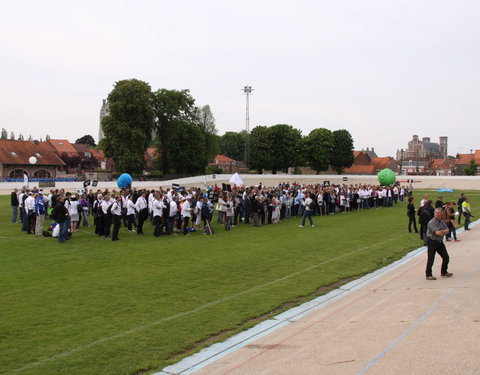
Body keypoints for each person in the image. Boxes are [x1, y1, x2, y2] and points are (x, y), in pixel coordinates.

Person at [425, 208, 453, 280]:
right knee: (431, 259)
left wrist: (442, 232)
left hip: (439, 242)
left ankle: (444, 272)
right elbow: (438, 233)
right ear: (434, 214)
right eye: (436, 213)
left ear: (442, 214)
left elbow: (448, 230)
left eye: (439, 213)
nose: (438, 214)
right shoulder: (432, 222)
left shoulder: (441, 222)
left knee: (446, 257)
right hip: (432, 242)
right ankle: (428, 274)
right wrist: (443, 232)